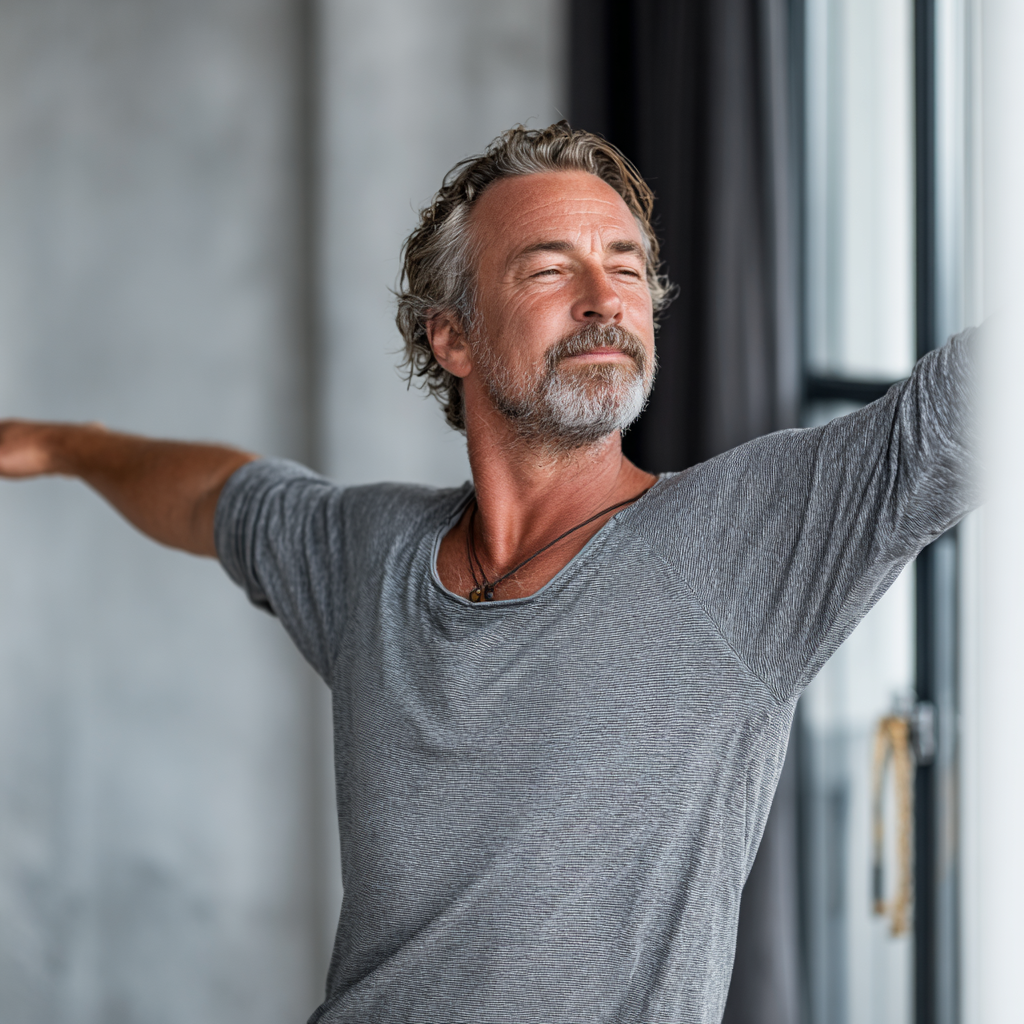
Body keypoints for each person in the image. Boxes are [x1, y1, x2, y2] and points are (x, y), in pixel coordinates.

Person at [0, 123, 974, 1024]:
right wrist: (59, 443)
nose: (604, 299)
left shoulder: (740, 541)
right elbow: (223, 495)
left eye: (626, 268)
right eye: (551, 269)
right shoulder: (369, 553)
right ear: (451, 335)